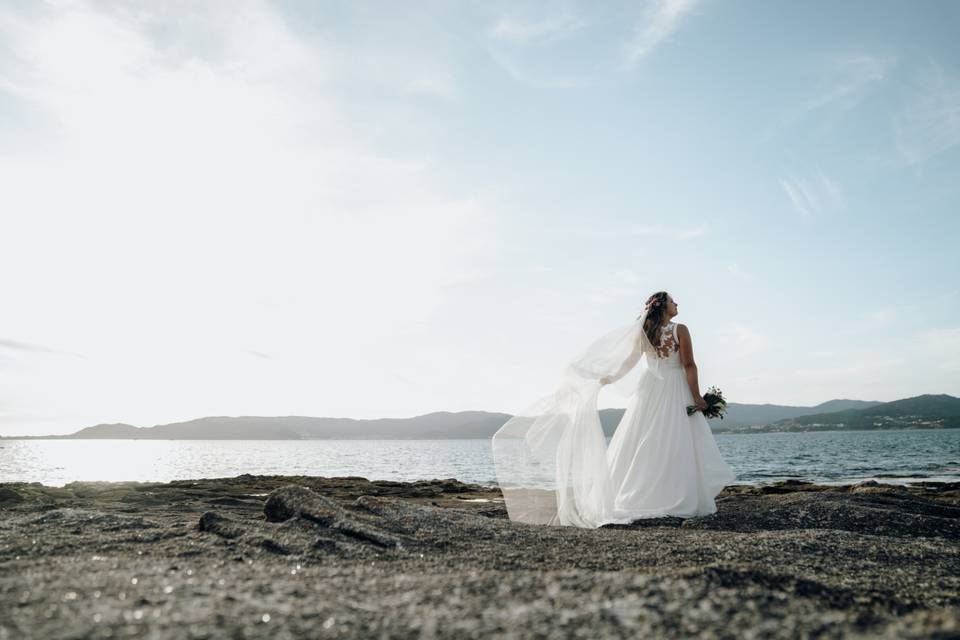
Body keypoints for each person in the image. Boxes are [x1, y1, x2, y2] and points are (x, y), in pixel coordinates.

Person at [491, 290, 736, 528]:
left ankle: (641, 495)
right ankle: (675, 495)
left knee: (644, 442)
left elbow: (628, 363)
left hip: (650, 389)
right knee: (677, 440)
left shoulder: (644, 333)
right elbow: (689, 364)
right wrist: (696, 397)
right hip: (674, 388)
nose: (676, 303)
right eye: (673, 301)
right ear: (663, 307)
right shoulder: (680, 329)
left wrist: (607, 379)